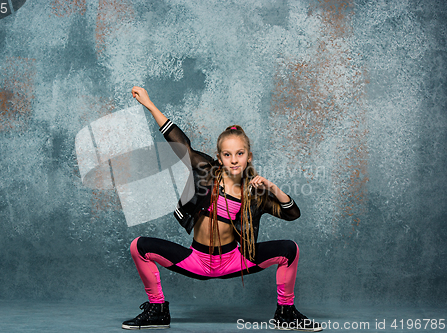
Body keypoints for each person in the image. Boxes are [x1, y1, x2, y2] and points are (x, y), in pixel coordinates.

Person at [122, 86, 321, 331]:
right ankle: (158, 310)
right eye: (228, 154)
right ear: (219, 156)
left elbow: (293, 214)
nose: (234, 159)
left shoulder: (255, 193)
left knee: (290, 249)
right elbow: (180, 144)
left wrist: (273, 188)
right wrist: (151, 105)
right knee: (138, 246)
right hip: (196, 260)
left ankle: (285, 312)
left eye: (240, 153)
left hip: (234, 261)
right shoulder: (206, 171)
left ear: (248, 156)